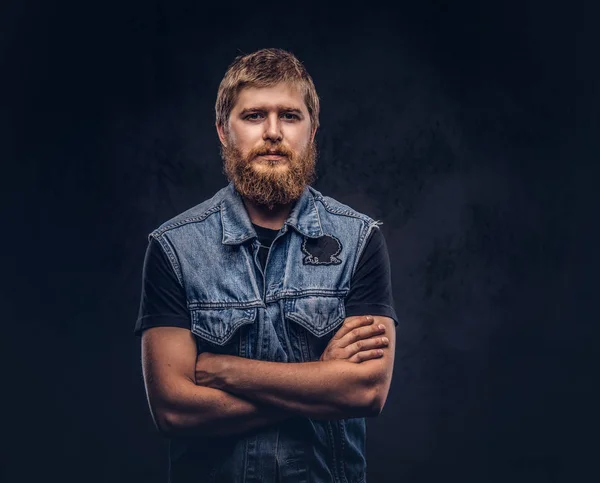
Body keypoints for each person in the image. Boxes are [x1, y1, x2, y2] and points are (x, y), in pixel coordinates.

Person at [134, 47, 398, 483]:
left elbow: (365, 389)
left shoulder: (358, 240)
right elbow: (173, 410)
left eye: (290, 116)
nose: (273, 132)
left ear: (312, 130)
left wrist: (223, 370)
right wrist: (319, 382)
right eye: (254, 116)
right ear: (223, 130)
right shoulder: (174, 248)